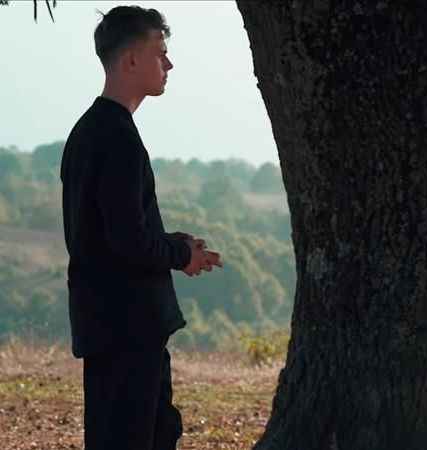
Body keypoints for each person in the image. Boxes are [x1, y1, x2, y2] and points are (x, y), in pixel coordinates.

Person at [60, 6, 222, 450]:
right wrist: (180, 255)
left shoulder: (91, 132)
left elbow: (109, 233)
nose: (168, 64)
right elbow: (126, 240)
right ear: (130, 60)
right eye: (160, 53)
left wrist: (177, 245)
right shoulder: (115, 138)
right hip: (126, 328)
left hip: (112, 325)